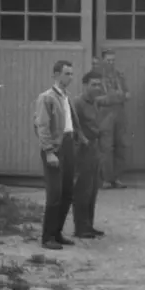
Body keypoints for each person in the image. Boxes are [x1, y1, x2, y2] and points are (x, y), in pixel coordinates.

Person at [33, 60, 86, 251]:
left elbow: (71, 122)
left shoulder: (66, 97)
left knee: (67, 193)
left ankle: (57, 233)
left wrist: (80, 137)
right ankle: (47, 237)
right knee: (55, 194)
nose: (70, 77)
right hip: (55, 148)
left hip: (69, 145)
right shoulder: (46, 98)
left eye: (72, 74)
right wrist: (49, 152)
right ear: (56, 74)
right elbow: (42, 126)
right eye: (66, 74)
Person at [71, 70, 107, 239]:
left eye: (99, 84)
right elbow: (72, 128)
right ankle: (80, 228)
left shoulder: (95, 103)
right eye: (93, 84)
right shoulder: (77, 103)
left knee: (93, 190)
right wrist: (82, 141)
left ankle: (89, 225)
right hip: (83, 152)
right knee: (82, 191)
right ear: (85, 85)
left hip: (95, 150)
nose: (97, 88)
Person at [97, 48, 131, 189]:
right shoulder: (96, 77)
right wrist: (115, 97)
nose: (111, 63)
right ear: (102, 61)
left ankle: (117, 177)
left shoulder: (119, 76)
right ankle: (106, 179)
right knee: (106, 147)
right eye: (108, 60)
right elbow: (95, 98)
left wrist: (117, 96)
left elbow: (128, 94)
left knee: (120, 145)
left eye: (113, 60)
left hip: (120, 114)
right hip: (105, 115)